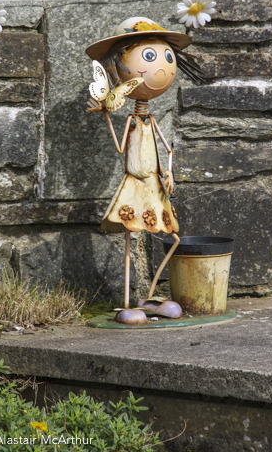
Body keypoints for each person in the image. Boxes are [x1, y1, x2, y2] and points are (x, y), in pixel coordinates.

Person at [86, 17, 203, 324]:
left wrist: (170, 173)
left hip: (154, 183)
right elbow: (122, 149)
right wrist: (107, 115)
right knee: (128, 236)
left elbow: (167, 149)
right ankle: (127, 303)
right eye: (149, 57)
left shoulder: (150, 121)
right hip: (134, 184)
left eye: (167, 57)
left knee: (173, 237)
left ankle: (148, 296)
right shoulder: (134, 121)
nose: (162, 66)